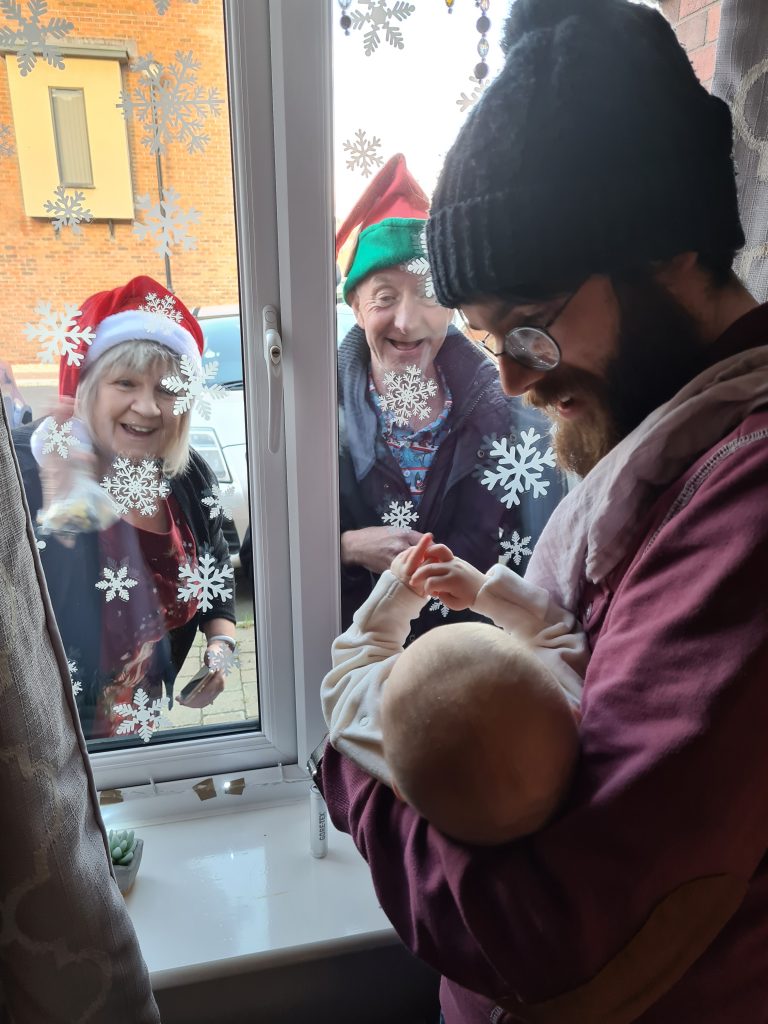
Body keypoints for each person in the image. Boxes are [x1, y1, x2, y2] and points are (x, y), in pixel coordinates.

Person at [315, 2, 768, 1021]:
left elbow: (550, 924)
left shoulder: (746, 510)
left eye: (530, 330)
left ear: (669, 254)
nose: (516, 380)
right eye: (488, 341)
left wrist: (353, 757)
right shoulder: (676, 449)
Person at [335, 153, 565, 639]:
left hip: (474, 668)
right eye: (384, 297)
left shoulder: (508, 413)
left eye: (428, 294)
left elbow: (544, 558)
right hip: (363, 670)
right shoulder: (317, 416)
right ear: (356, 306)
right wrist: (347, 546)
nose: (406, 320)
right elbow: (261, 559)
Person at [13, 275, 237, 740]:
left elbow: (217, 564)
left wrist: (222, 647)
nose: (149, 407)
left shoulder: (187, 474)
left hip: (143, 726)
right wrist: (61, 505)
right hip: (54, 743)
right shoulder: (25, 479)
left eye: (168, 389)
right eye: (126, 382)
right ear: (88, 387)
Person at [322, 532, 586, 845]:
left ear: (399, 789)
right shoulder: (567, 709)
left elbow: (350, 670)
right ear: (574, 715)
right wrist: (481, 590)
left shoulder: (387, 743)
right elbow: (557, 634)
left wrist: (400, 590)